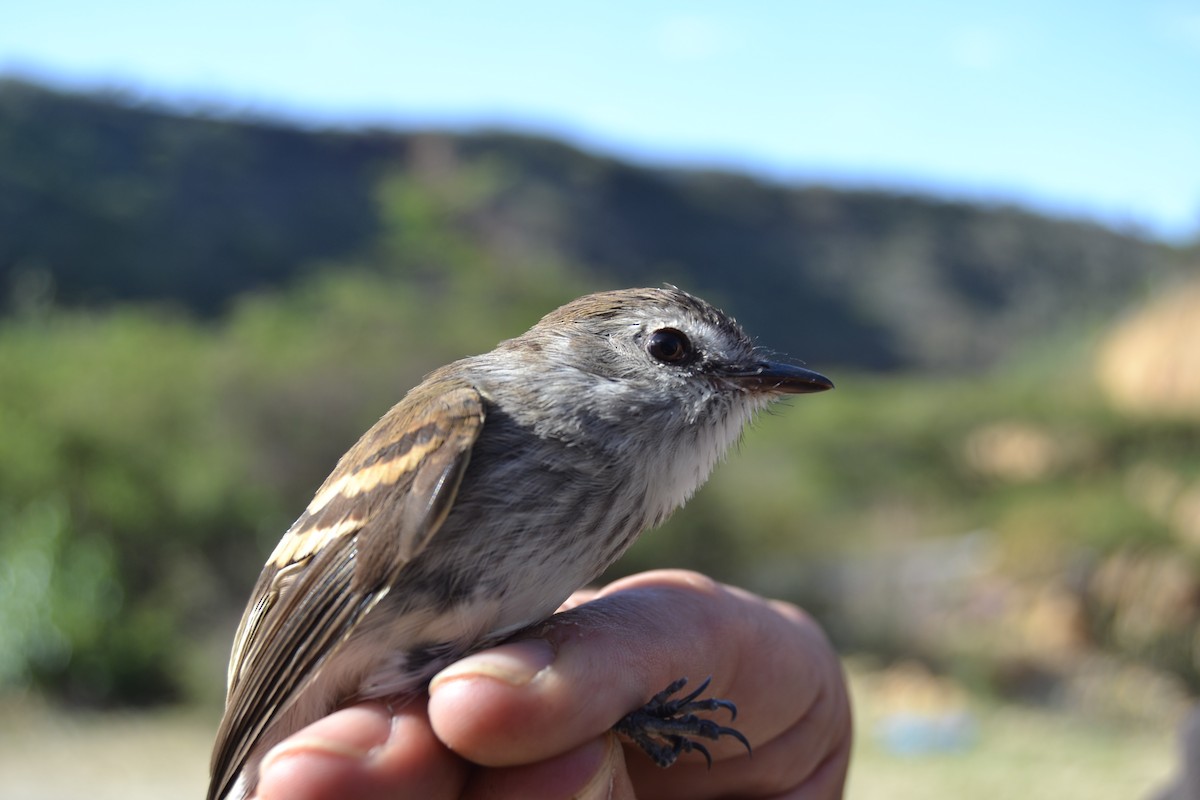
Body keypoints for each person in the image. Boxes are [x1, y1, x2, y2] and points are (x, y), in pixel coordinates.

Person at [249, 570, 852, 800]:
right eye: (671, 351)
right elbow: (297, 601)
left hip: (436, 707)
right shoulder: (474, 421)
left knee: (503, 715)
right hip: (323, 682)